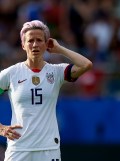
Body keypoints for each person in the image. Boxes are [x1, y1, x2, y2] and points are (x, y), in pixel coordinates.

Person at [0, 20, 92, 161]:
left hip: (48, 148)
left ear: (46, 44)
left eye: (39, 40)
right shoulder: (11, 74)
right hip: (19, 148)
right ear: (23, 45)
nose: (35, 45)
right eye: (30, 40)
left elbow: (86, 64)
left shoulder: (56, 72)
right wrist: (1, 128)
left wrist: (60, 49)